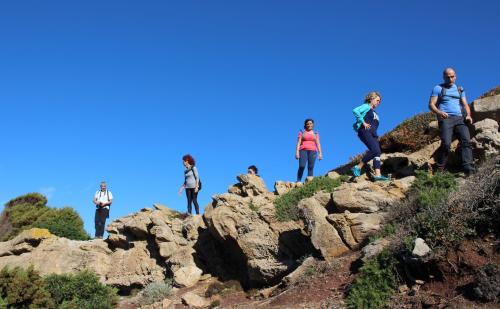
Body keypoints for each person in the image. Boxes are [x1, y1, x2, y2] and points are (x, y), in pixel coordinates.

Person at [428, 67, 475, 175]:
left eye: (452, 76)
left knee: (466, 141)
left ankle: (468, 169)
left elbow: (465, 104)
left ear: (455, 76)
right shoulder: (438, 88)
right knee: (446, 144)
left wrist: (468, 115)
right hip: (446, 119)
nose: (450, 79)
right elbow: (431, 104)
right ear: (444, 77)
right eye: (447, 77)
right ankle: (440, 169)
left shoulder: (460, 89)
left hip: (460, 118)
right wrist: (439, 112)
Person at [351, 91, 390, 181]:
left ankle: (378, 175)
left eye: (380, 101)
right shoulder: (366, 106)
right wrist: (363, 122)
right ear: (371, 99)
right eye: (377, 100)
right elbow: (355, 110)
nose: (379, 102)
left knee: (377, 152)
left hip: (373, 134)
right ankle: (358, 167)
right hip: (364, 131)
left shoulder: (375, 112)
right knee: (375, 150)